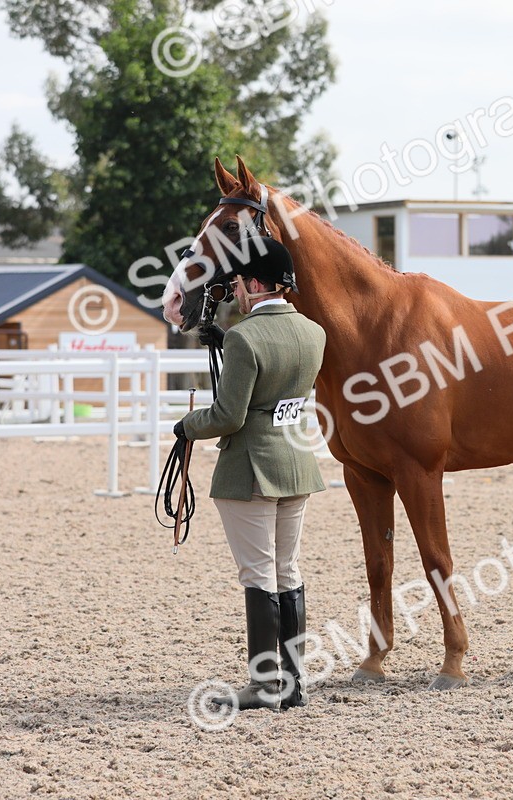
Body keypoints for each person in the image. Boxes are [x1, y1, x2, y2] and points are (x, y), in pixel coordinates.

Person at [174, 237, 326, 711]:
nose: (235, 291)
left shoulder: (245, 336)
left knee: (258, 575)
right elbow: (276, 382)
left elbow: (228, 416)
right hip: (296, 465)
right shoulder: (312, 332)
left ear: (257, 283)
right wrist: (227, 344)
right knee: (288, 572)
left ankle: (263, 686)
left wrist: (186, 426)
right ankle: (293, 684)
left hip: (251, 471)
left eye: (238, 283)